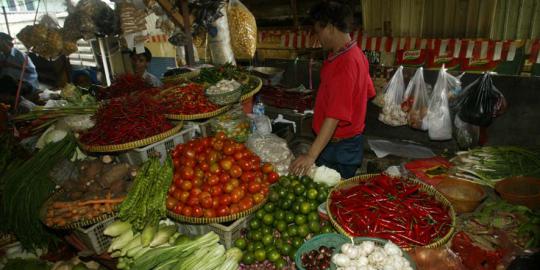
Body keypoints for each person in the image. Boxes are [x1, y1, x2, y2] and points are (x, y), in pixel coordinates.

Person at [289, 1, 375, 179]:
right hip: (344, 142)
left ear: (329, 27)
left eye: (318, 32)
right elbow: (368, 93)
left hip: (339, 148)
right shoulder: (355, 53)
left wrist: (311, 155)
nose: (317, 38)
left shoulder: (344, 64)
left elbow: (335, 116)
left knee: (332, 194)